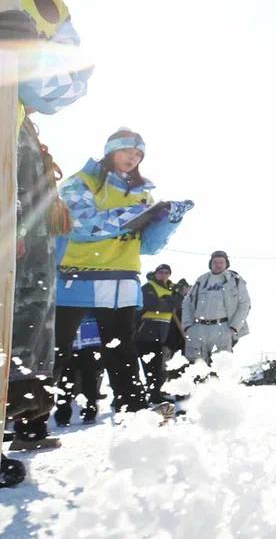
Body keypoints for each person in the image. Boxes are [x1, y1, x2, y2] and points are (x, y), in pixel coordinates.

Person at [0, 0, 94, 462]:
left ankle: (23, 400)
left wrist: (26, 54)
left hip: (9, 143)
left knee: (26, 274)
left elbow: (68, 84)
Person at [56, 130, 193, 418]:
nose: (133, 158)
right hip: (77, 278)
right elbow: (85, 226)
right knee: (57, 350)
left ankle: (134, 412)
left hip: (122, 280)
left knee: (121, 350)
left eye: (139, 154)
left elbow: (148, 246)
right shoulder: (82, 181)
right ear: (109, 150)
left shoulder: (143, 191)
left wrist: (169, 220)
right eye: (127, 150)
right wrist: (138, 214)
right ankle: (31, 423)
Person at [183, 251, 250, 365]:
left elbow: (244, 304)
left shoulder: (235, 280)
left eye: (221, 262)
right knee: (196, 368)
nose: (218, 265)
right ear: (211, 264)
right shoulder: (202, 280)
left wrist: (234, 327)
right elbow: (187, 302)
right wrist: (187, 327)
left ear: (226, 264)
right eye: (215, 262)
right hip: (199, 328)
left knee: (220, 368)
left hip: (222, 328)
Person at [135, 264, 183, 403]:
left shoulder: (171, 287)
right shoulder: (148, 287)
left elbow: (180, 301)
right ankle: (151, 394)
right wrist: (169, 304)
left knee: (158, 367)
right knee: (148, 365)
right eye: (160, 272)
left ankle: (156, 392)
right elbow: (152, 304)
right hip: (146, 332)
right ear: (155, 273)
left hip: (162, 332)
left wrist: (166, 301)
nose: (163, 274)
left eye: (166, 272)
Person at [53, 314, 103, 427]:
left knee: (87, 378)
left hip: (88, 336)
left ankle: (88, 412)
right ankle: (64, 414)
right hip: (72, 336)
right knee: (66, 378)